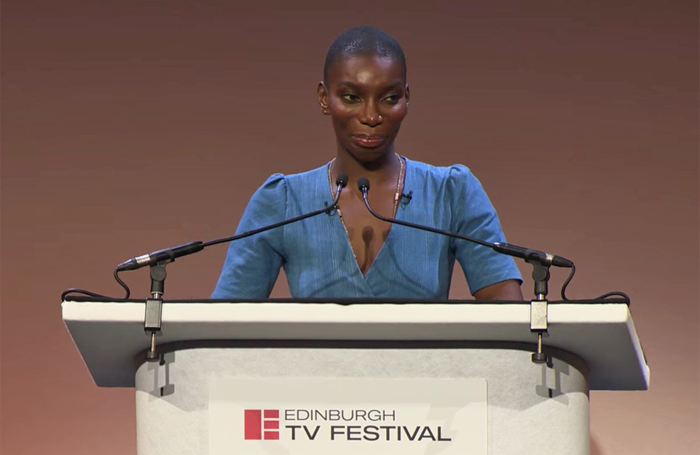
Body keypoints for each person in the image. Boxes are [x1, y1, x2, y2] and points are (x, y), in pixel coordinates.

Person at [212, 25, 523, 301]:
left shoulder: (452, 192)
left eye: (389, 98)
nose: (371, 117)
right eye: (351, 97)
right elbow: (224, 326)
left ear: (407, 98)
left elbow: (506, 315)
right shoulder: (282, 201)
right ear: (324, 98)